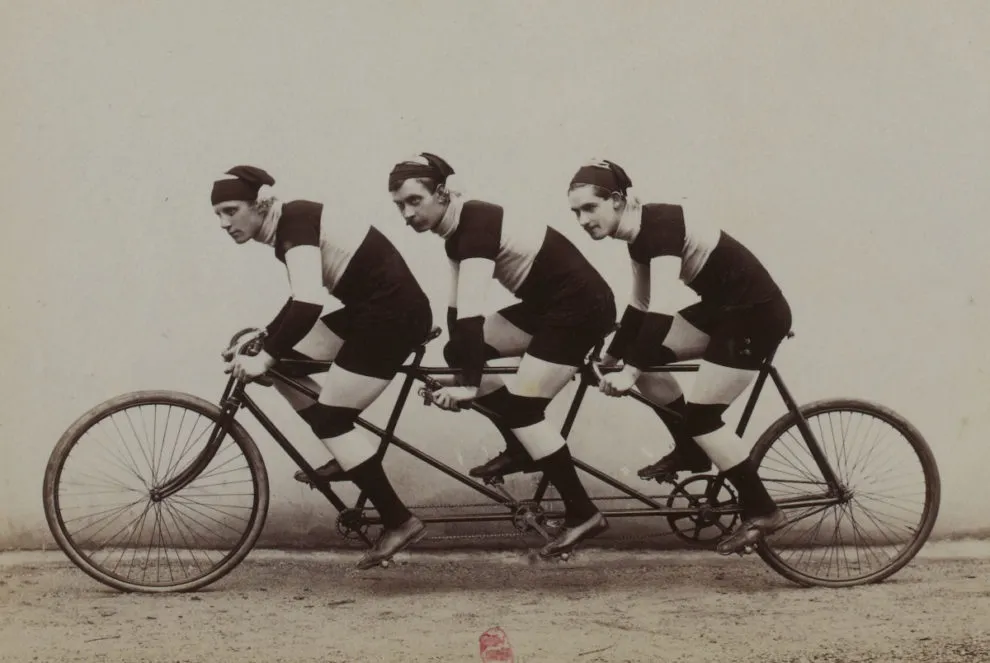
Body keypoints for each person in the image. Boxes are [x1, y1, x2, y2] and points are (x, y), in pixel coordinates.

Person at [387, 153, 617, 559]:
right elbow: (458, 315)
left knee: (524, 410)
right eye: (399, 206)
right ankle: (520, 446)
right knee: (457, 349)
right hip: (546, 307)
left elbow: (473, 313)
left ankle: (582, 512)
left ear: (441, 194)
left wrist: (469, 387)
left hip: (580, 309)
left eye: (413, 201)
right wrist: (461, 370)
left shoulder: (475, 228)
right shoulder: (456, 232)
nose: (407, 214)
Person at [212, 165, 434, 569]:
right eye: (218, 216)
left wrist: (264, 355)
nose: (225, 224)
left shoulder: (295, 223)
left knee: (331, 420)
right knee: (287, 365)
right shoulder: (290, 225)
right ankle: (349, 454)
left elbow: (308, 304)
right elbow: (300, 301)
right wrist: (264, 337)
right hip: (371, 311)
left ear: (259, 205)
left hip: (393, 317)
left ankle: (399, 521)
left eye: (231, 210)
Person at [565, 158, 791, 555]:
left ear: (617, 200)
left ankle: (763, 509)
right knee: (646, 358)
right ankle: (690, 449)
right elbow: (639, 304)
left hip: (754, 316)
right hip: (723, 310)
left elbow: (662, 307)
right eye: (575, 212)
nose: (582, 220)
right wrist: (612, 357)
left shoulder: (661, 227)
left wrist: (630, 372)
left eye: (589, 208)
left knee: (704, 417)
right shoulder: (636, 236)